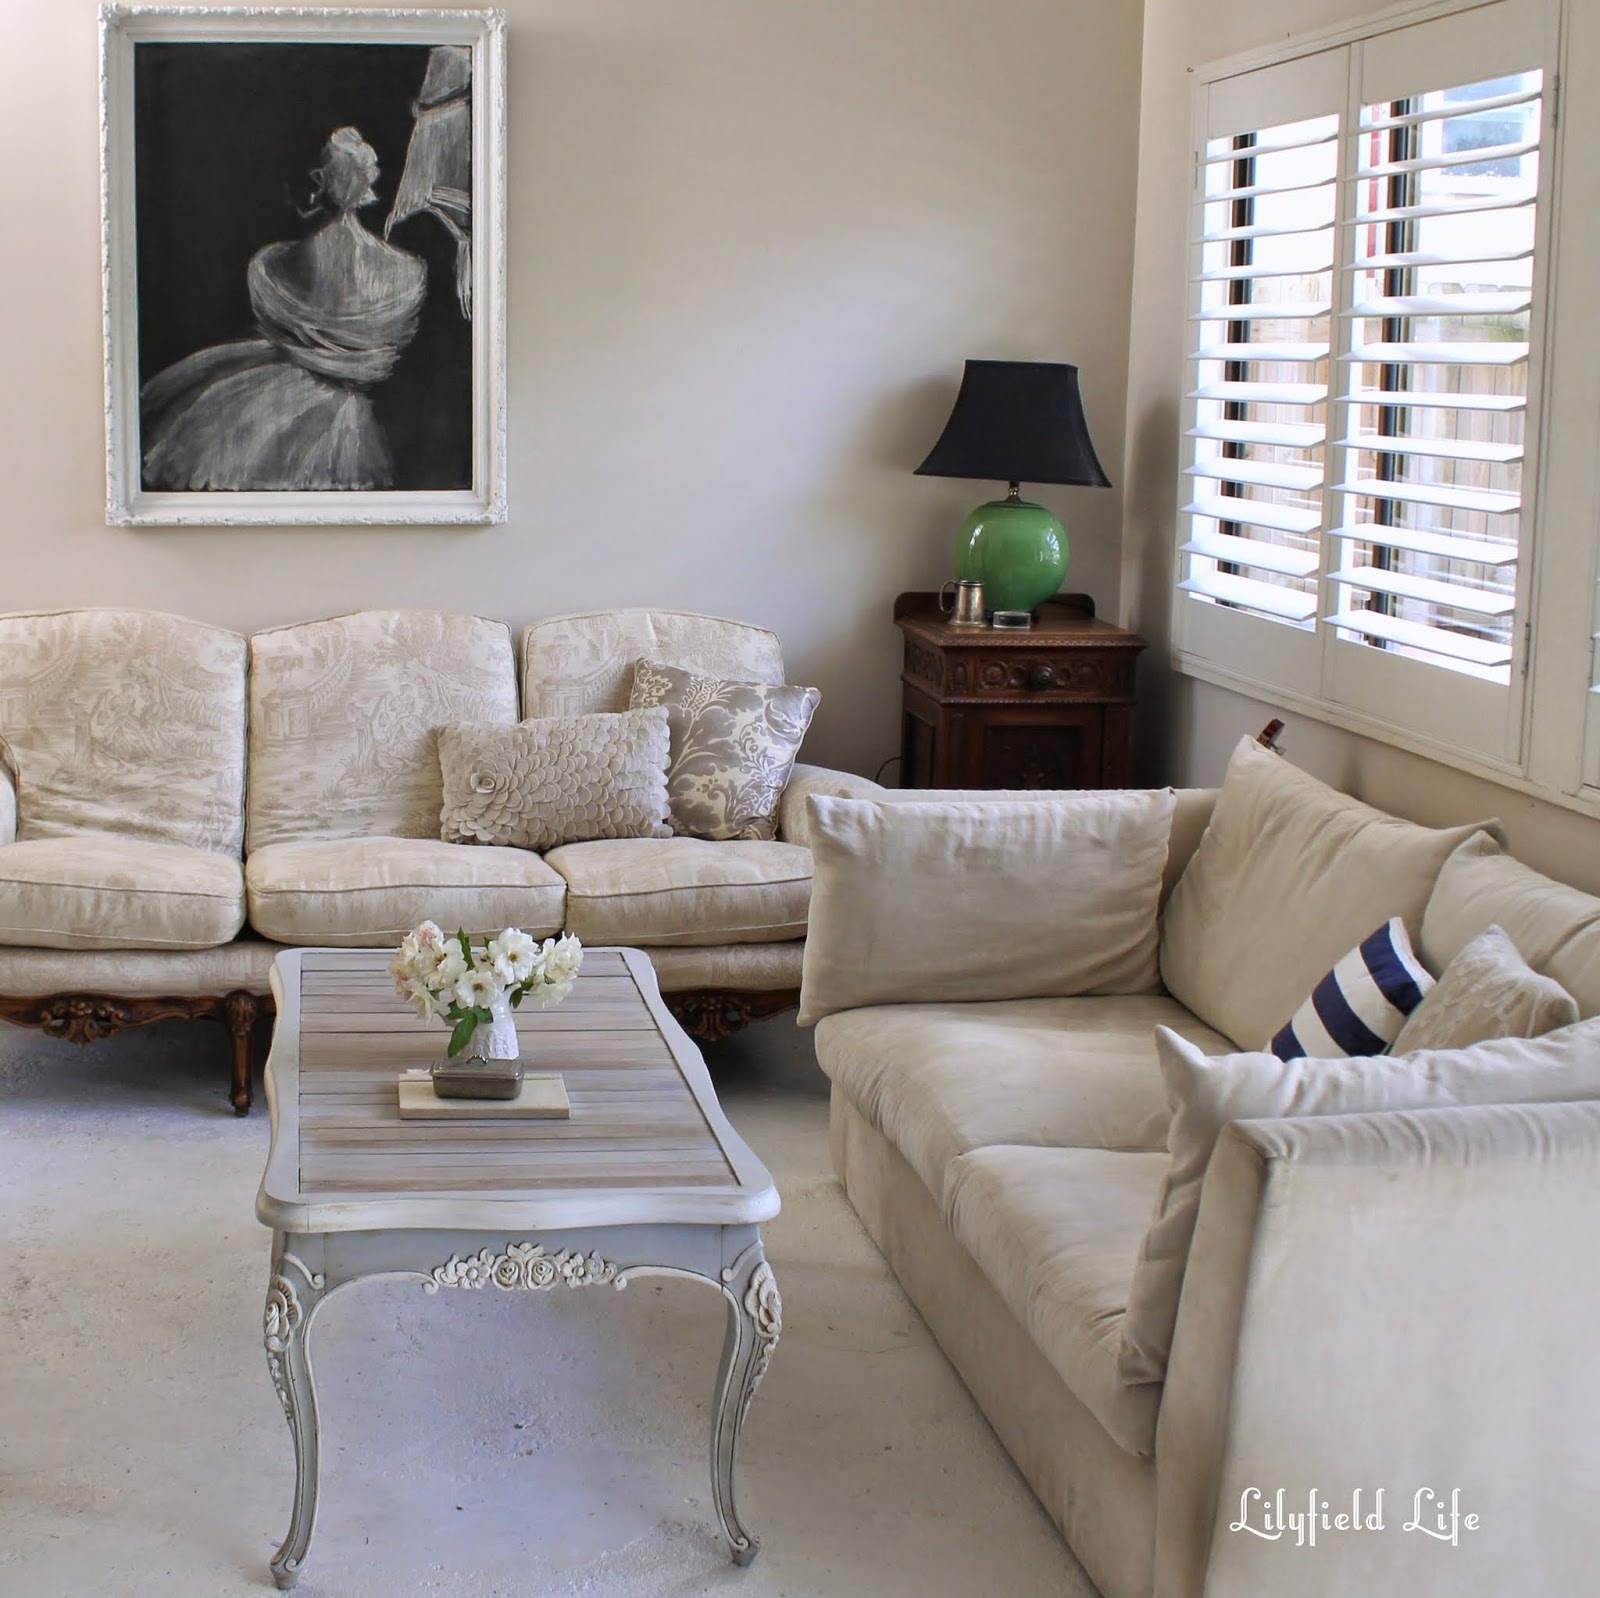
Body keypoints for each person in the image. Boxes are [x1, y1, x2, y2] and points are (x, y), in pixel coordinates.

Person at [141, 128, 427, 492]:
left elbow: (273, 303)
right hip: (331, 397)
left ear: (319, 183)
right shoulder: (401, 269)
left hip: (297, 397)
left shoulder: (285, 262)